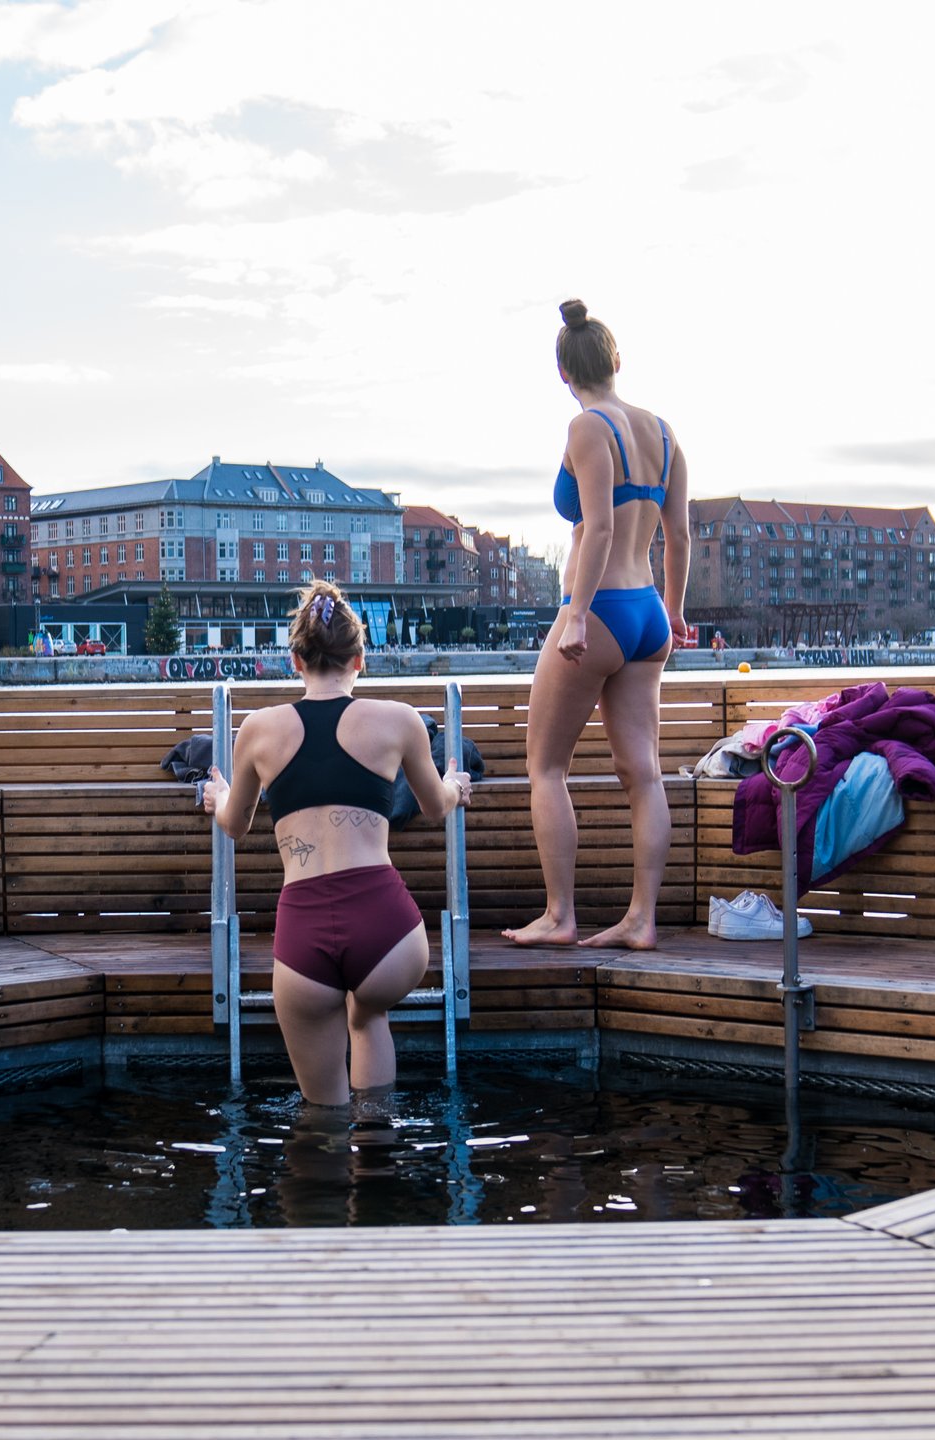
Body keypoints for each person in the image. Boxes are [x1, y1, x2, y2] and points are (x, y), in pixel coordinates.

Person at [203, 579, 471, 1106]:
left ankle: (327, 1167)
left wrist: (218, 795)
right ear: (360, 659)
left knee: (322, 1115)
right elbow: (437, 805)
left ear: (295, 662)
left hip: (304, 934)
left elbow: (234, 824)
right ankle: (375, 1167)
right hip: (387, 932)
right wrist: (457, 788)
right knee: (368, 1018)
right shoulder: (399, 720)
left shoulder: (258, 729)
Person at [503, 298, 689, 951]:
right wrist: (675, 608)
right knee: (642, 772)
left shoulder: (587, 429)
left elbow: (601, 525)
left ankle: (560, 915)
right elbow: (680, 533)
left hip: (600, 609)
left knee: (546, 766)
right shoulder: (663, 433)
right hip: (646, 615)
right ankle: (642, 918)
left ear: (563, 371)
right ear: (616, 360)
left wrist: (577, 615)